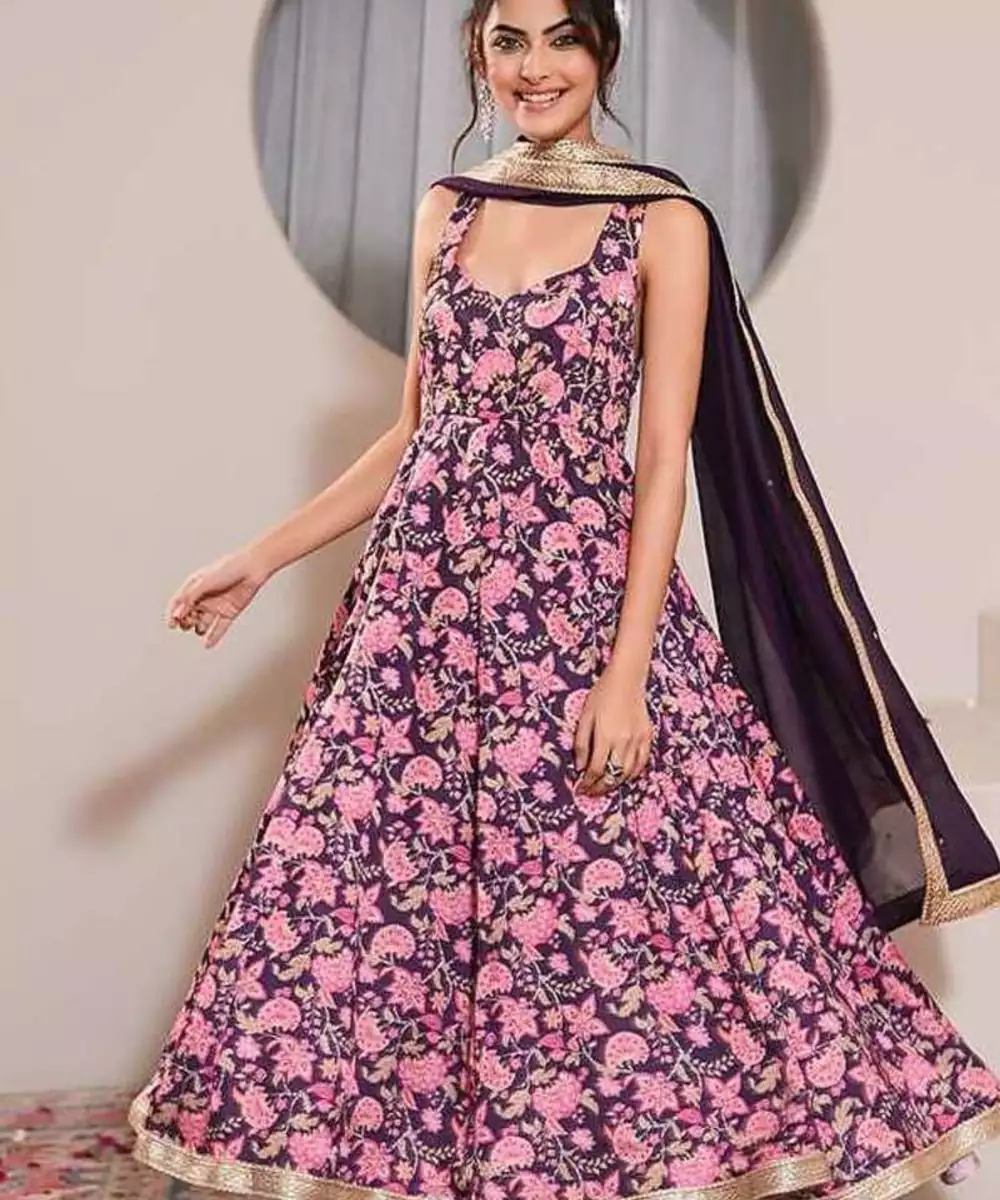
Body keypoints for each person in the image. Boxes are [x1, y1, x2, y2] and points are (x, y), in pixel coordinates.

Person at [129, 2, 1000, 1197]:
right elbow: (417, 429)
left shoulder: (661, 220)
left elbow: (661, 457)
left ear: (603, 52)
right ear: (477, 56)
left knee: (623, 897)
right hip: (423, 615)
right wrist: (262, 556)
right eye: (507, 41)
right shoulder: (450, 208)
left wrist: (628, 671)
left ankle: (639, 1149)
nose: (533, 67)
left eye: (561, 39)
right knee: (384, 886)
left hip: (579, 608)